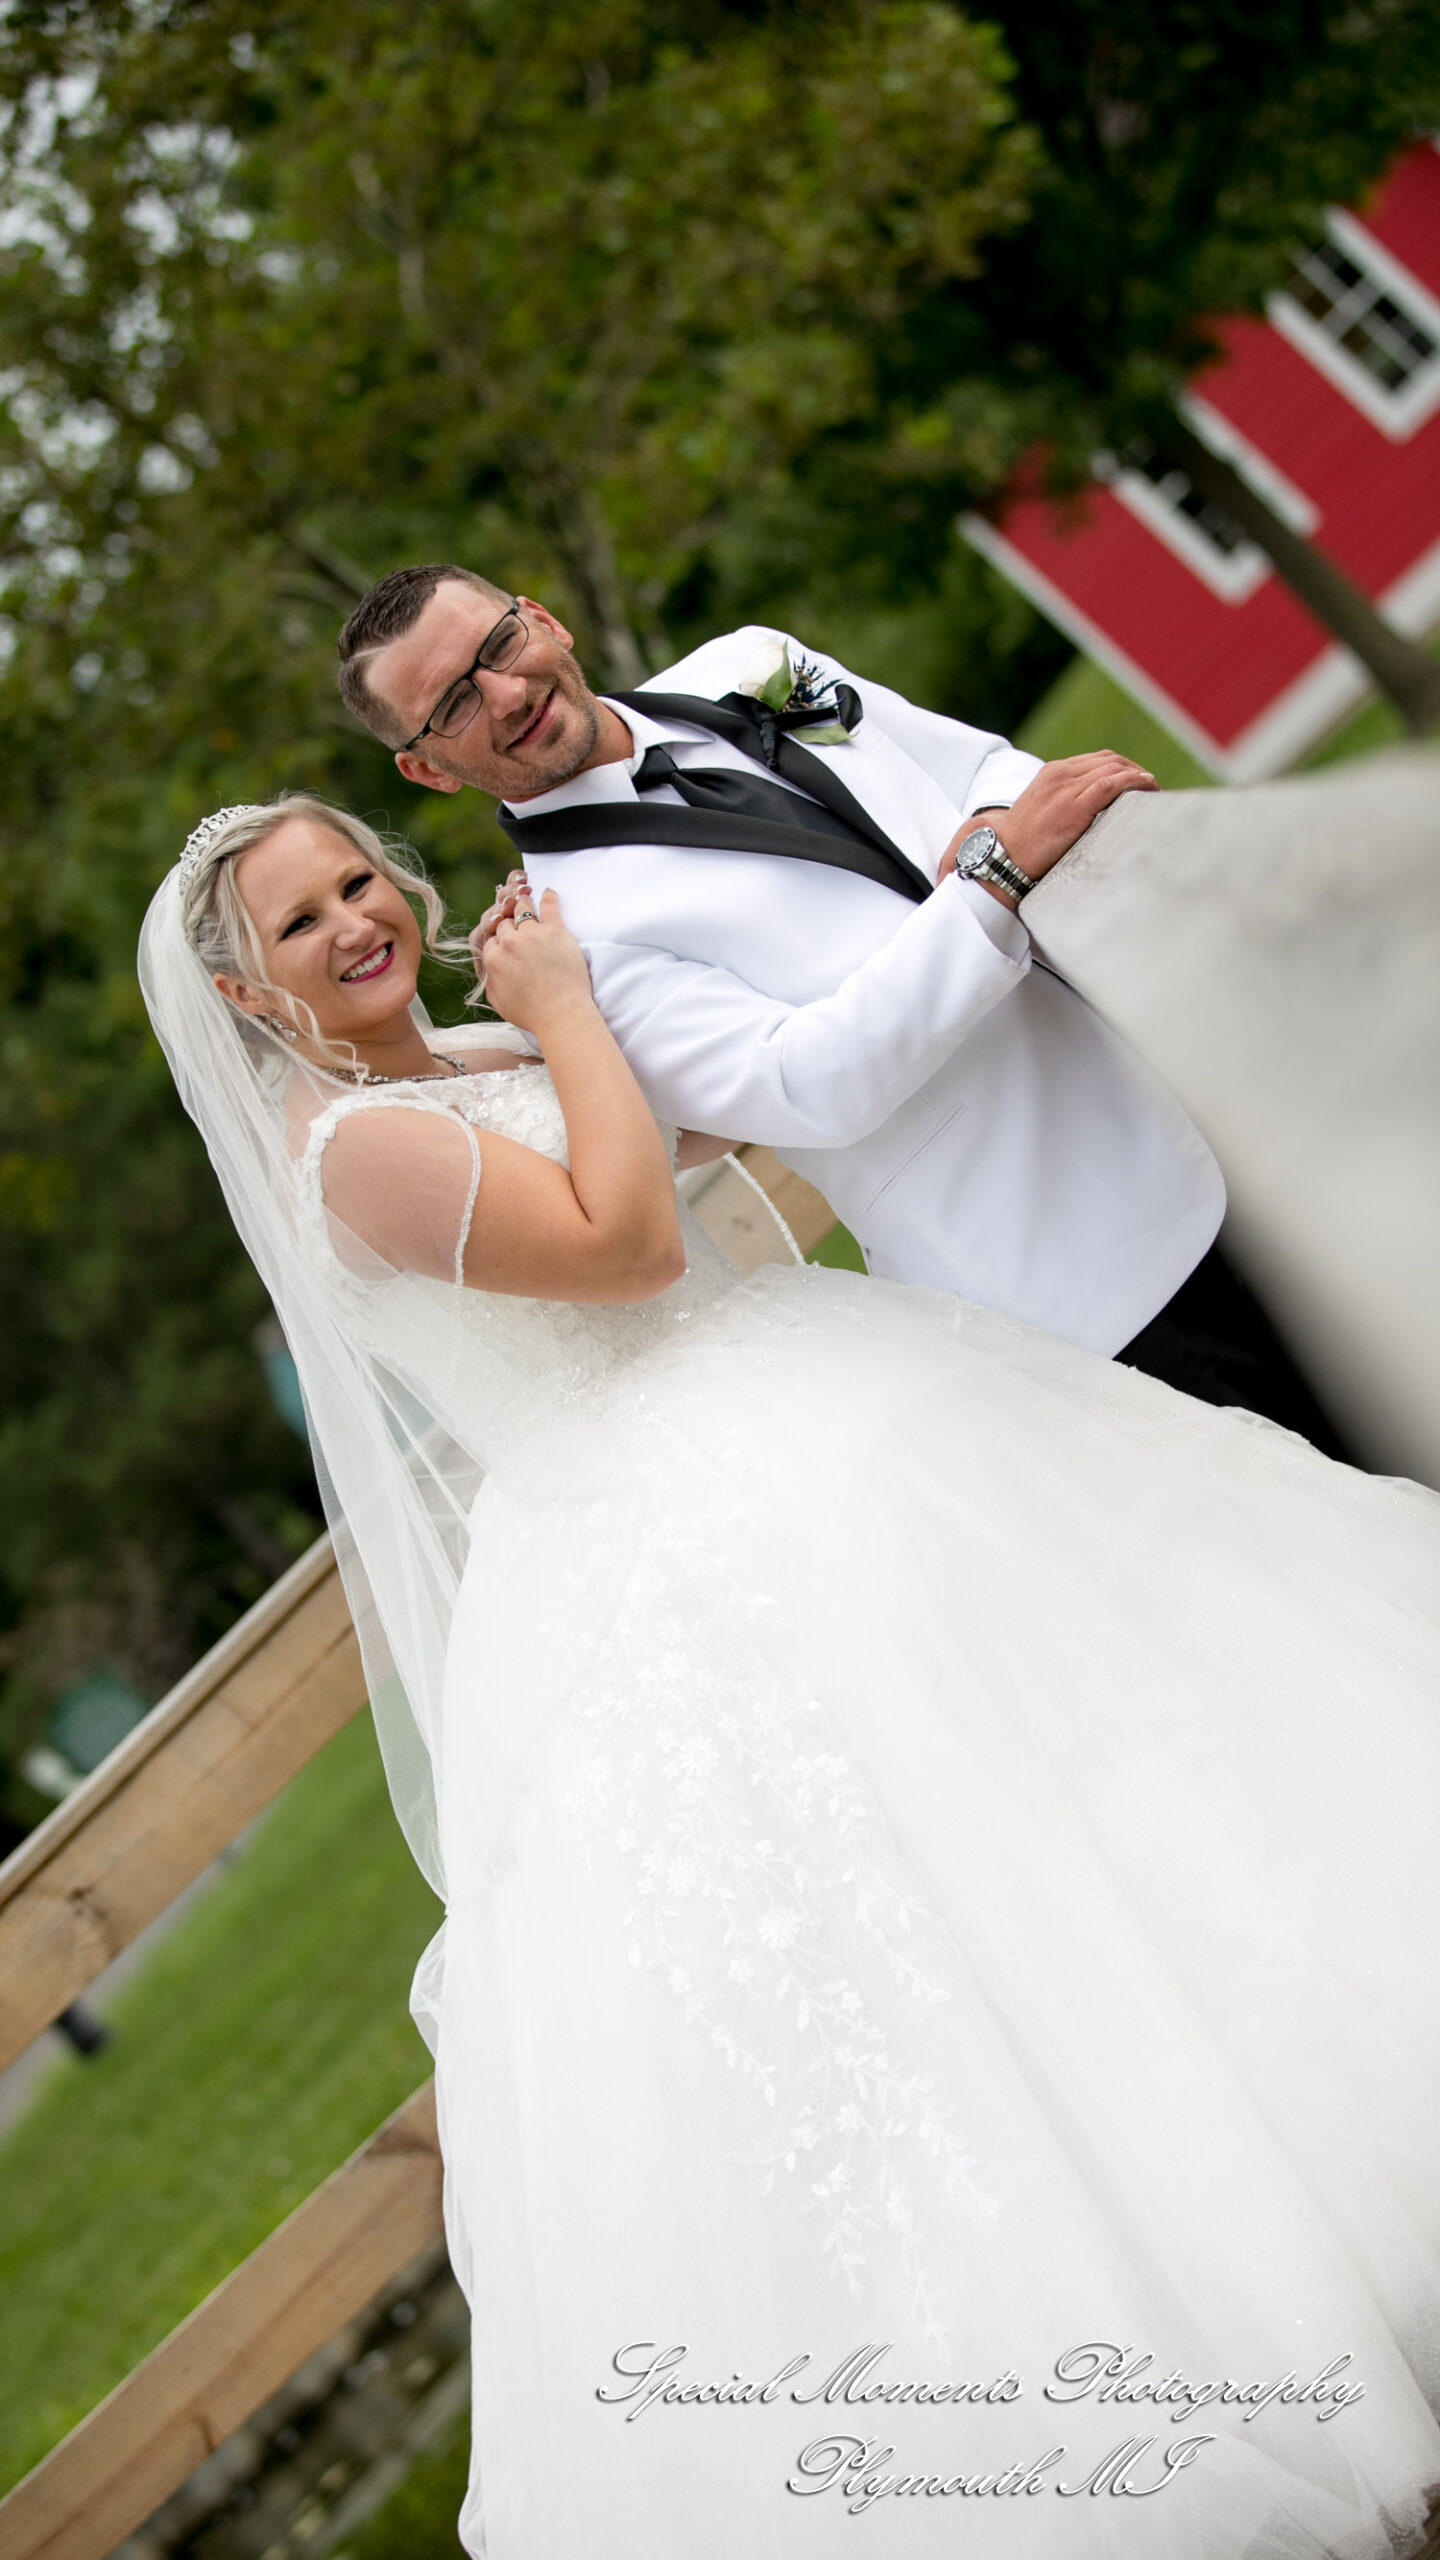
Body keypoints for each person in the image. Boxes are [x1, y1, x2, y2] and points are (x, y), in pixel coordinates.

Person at [140, 793, 1440, 2560]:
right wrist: (573, 1012)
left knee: (1089, 1780)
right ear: (245, 993)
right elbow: (622, 1242)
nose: (357, 920)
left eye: (360, 877)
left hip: (806, 1416)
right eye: (302, 923)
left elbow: (701, 1113)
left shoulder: (450, 1053)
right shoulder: (344, 1152)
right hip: (671, 1528)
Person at [333, 566, 1344, 1448]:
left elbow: (982, 767)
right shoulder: (575, 942)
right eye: (455, 703)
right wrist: (991, 881)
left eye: (500, 645)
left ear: (541, 617)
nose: (507, 692)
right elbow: (805, 1084)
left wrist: (989, 815)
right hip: (1089, 1265)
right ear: (427, 768)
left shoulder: (747, 661)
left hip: (1240, 1113)